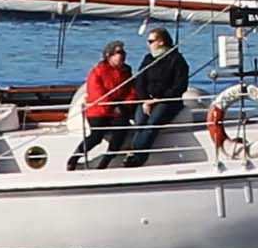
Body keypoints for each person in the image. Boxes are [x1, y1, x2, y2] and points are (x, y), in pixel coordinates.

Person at [113, 25, 189, 167]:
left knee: (153, 123)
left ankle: (136, 154)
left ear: (161, 42)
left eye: (151, 41)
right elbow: (139, 81)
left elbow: (179, 86)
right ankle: (137, 153)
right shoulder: (148, 59)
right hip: (148, 99)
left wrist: (158, 100)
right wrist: (146, 100)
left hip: (168, 101)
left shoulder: (176, 60)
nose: (149, 45)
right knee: (140, 121)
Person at [65, 39, 134, 169]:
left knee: (121, 131)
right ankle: (74, 157)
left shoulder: (126, 71)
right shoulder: (98, 71)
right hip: (99, 111)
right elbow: (98, 94)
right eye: (119, 52)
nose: (123, 55)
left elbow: (131, 91)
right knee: (96, 136)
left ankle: (105, 162)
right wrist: (113, 107)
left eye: (124, 52)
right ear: (109, 55)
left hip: (118, 110)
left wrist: (125, 105)